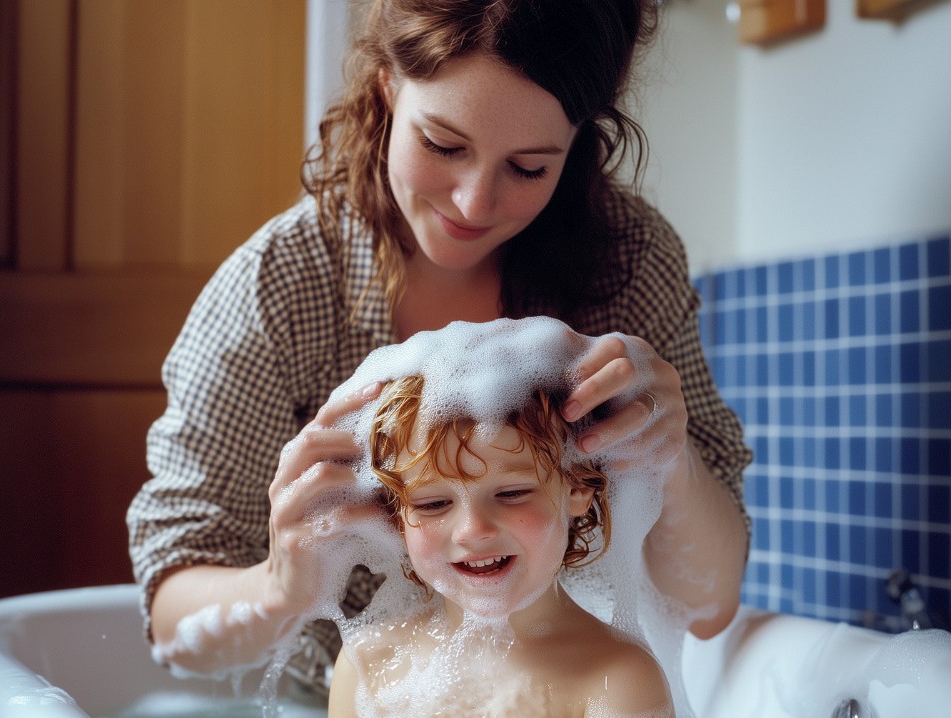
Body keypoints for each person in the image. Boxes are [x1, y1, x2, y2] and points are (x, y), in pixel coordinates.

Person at [127, 0, 752, 688]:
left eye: (529, 167)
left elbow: (708, 608)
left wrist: (673, 461)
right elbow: (171, 624)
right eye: (444, 146)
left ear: (578, 144)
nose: (473, 203)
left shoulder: (627, 263)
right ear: (387, 86)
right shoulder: (281, 286)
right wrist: (285, 586)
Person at [327, 374, 675, 717]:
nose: (472, 530)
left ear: (578, 487)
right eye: (433, 504)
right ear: (397, 517)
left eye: (511, 494)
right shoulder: (368, 666)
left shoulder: (617, 679)